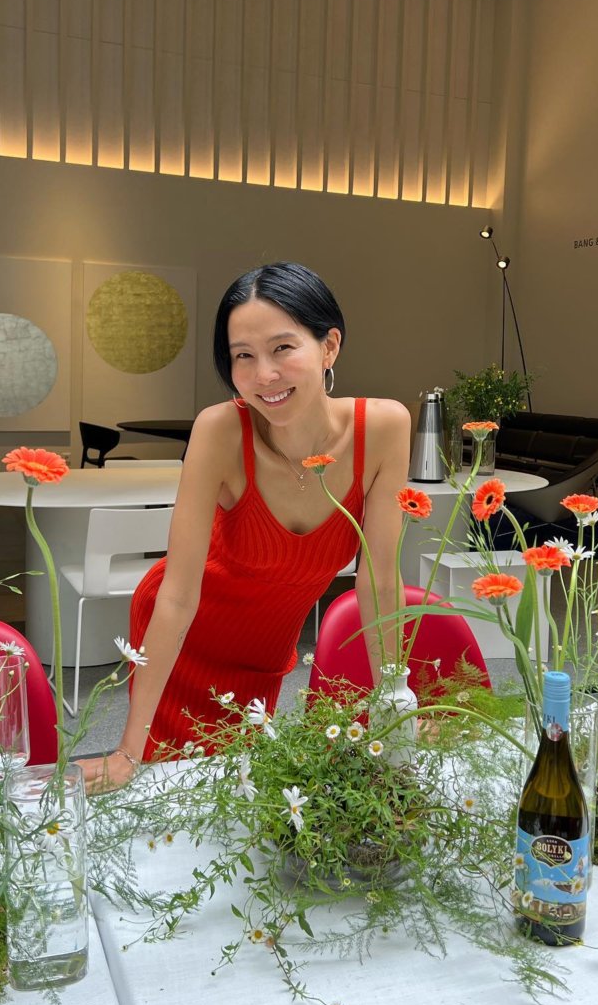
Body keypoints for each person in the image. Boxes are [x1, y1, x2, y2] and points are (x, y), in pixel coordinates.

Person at [81, 262, 410, 790]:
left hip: (263, 657)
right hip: (185, 641)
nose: (264, 375)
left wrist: (395, 703)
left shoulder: (384, 428)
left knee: (242, 799)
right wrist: (126, 749)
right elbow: (177, 596)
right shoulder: (220, 430)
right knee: (172, 796)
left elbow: (380, 581)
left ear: (329, 347)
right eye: (243, 356)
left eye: (283, 348)